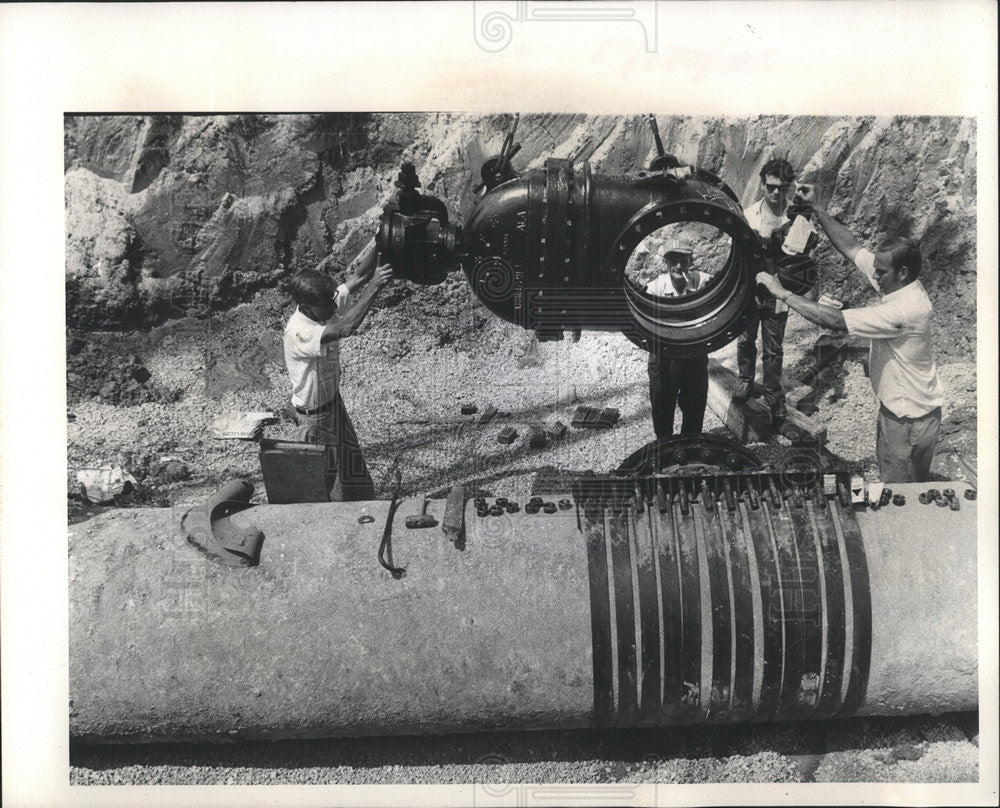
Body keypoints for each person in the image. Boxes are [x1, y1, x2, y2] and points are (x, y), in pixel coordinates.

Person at [755, 192, 943, 483]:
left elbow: (834, 319)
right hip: (915, 412)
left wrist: (782, 293)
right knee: (912, 489)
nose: (875, 276)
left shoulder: (905, 310)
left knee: (901, 495)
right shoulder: (900, 285)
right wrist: (816, 208)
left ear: (902, 272)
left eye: (880, 272)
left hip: (907, 421)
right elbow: (852, 248)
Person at [284, 241, 393, 500]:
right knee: (329, 485)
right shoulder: (300, 331)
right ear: (307, 306)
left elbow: (359, 277)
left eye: (334, 299)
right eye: (328, 304)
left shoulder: (323, 305)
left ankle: (366, 509)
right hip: (315, 418)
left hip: (333, 406)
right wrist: (376, 287)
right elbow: (345, 329)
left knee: (354, 469)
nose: (335, 307)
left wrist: (381, 239)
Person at [735, 158, 815, 421]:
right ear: (762, 185)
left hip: (778, 290)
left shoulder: (797, 217)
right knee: (746, 339)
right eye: (771, 186)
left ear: (789, 187)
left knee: (773, 346)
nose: (776, 192)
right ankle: (745, 379)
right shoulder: (748, 215)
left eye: (782, 187)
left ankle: (772, 391)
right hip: (750, 288)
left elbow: (802, 257)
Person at [646, 235, 713, 440]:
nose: (678, 266)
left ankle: (690, 445)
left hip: (694, 353)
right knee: (662, 401)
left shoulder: (702, 281)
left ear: (691, 262)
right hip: (664, 355)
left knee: (694, 401)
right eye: (673, 260)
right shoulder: (655, 288)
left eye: (683, 260)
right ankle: (664, 444)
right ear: (666, 263)